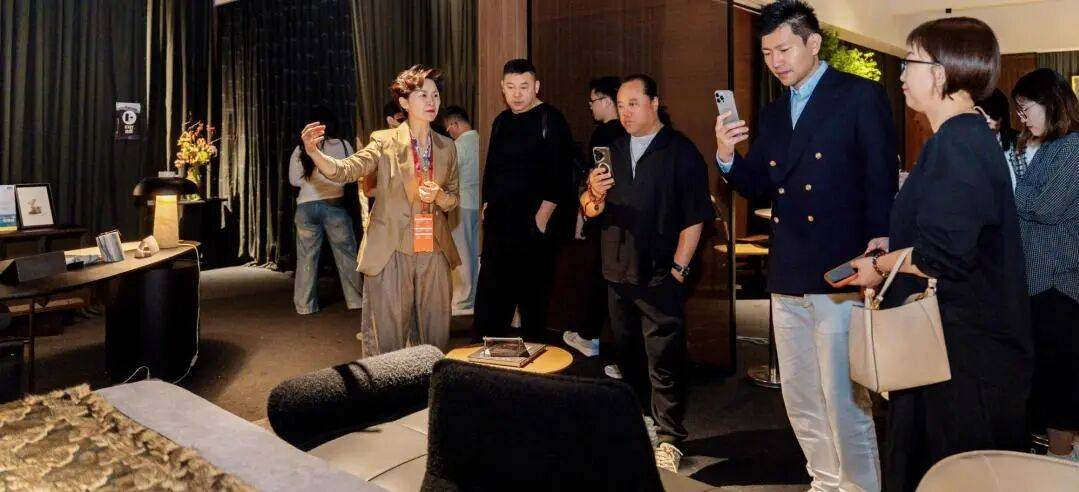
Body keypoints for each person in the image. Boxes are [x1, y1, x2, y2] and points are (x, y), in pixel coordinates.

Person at [713, 1, 895, 489]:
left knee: (843, 395)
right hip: (789, 268)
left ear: (812, 43)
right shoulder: (774, 113)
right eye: (767, 52)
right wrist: (727, 155)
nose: (775, 61)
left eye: (784, 49)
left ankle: (858, 487)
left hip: (840, 269)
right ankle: (824, 479)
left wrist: (877, 253)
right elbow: (757, 184)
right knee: (799, 393)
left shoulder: (858, 96)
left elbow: (880, 180)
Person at [846, 18, 1033, 491]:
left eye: (910, 61)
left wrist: (880, 266)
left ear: (942, 72)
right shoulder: (959, 139)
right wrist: (895, 245)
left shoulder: (959, 143)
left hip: (962, 359)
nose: (902, 74)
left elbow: (945, 255)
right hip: (947, 348)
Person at [581, 74, 714, 473]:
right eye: (621, 106)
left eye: (633, 104)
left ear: (655, 103)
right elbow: (589, 209)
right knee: (627, 357)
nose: (625, 113)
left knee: (664, 361)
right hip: (617, 272)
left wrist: (679, 269)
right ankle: (642, 425)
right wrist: (593, 193)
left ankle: (670, 438)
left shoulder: (680, 151)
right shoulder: (611, 150)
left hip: (660, 275)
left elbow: (695, 217)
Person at [301, 65, 460, 357]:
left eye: (435, 95)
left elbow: (453, 199)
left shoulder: (447, 146)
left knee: (436, 334)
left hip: (433, 248)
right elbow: (346, 169)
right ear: (404, 102)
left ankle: (429, 380)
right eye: (423, 95)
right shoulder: (384, 141)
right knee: (387, 334)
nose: (431, 102)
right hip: (391, 248)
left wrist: (439, 196)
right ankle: (387, 382)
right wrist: (314, 153)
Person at [473, 58, 574, 341]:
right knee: (491, 299)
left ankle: (533, 364)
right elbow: (491, 168)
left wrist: (541, 219)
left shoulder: (551, 119)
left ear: (536, 86)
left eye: (524, 86)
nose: (517, 94)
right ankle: (487, 359)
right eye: (510, 87)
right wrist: (486, 204)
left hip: (533, 228)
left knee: (533, 303)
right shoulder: (501, 121)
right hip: (499, 226)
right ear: (502, 88)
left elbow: (561, 175)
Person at [1011, 68, 1079, 462]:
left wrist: (1010, 183)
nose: (1022, 118)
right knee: (1050, 381)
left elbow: (1043, 206)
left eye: (1026, 109)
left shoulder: (1072, 147)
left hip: (1059, 282)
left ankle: (1061, 465)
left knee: (1059, 384)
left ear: (1051, 104)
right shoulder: (1052, 147)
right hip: (1041, 280)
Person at [563, 76, 625, 375]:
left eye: (593, 101)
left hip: (605, 215)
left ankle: (589, 336)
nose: (590, 107)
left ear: (606, 100)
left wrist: (584, 216)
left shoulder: (604, 134)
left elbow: (599, 181)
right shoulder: (630, 133)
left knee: (601, 277)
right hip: (625, 218)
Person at [288, 106, 362, 315]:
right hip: (333, 205)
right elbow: (352, 174)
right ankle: (356, 300)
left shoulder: (301, 148)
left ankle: (304, 306)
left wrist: (312, 181)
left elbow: (294, 180)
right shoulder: (343, 145)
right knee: (347, 255)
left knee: (306, 257)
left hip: (305, 207)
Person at [442, 105, 481, 316]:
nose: (449, 133)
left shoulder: (457, 146)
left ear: (454, 124)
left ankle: (462, 301)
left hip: (461, 204)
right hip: (479, 204)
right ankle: (473, 296)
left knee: (461, 254)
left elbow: (448, 177)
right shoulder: (482, 140)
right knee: (475, 252)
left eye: (448, 128)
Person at [974, 88, 1024, 187]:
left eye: (994, 116)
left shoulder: (1020, 141)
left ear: (1003, 117)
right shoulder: (965, 143)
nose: (988, 120)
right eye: (982, 115)